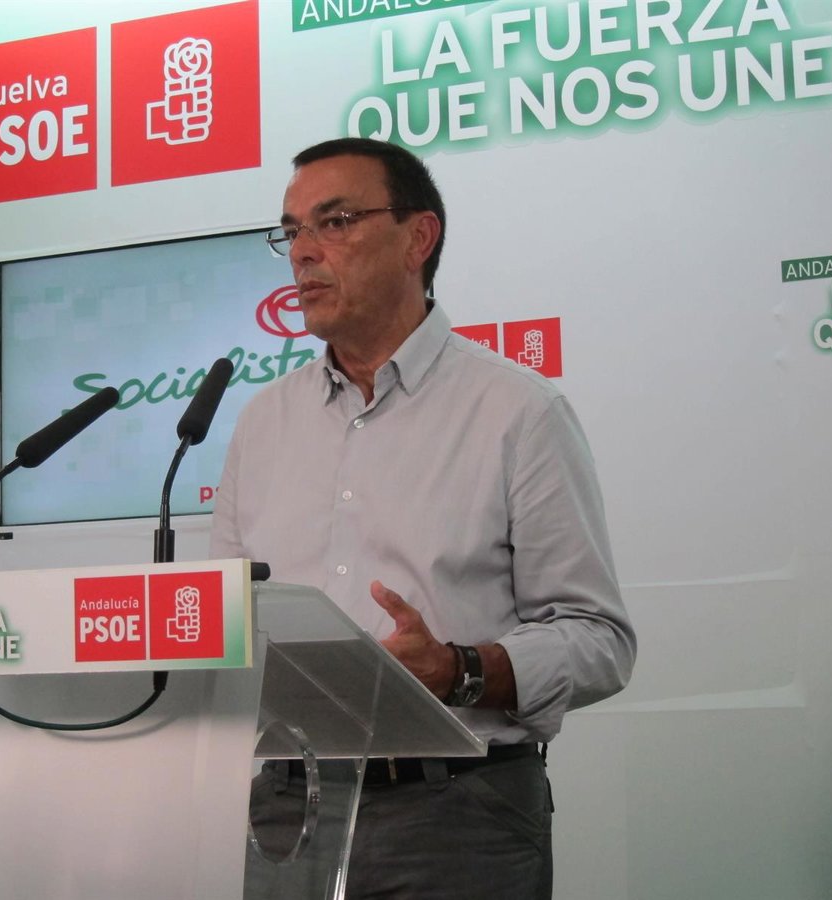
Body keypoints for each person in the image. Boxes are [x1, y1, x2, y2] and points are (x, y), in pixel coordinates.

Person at [209, 137, 636, 899]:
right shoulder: (262, 423)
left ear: (418, 238)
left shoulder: (517, 411)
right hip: (287, 810)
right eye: (292, 230)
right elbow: (229, 623)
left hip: (457, 813)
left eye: (335, 222)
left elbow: (598, 640)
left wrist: (460, 669)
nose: (303, 252)